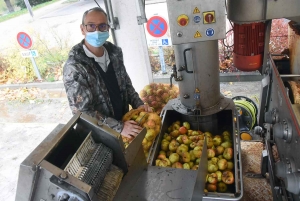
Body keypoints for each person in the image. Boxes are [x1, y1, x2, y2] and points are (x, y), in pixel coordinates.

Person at [63, 7, 152, 140]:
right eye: (91, 26)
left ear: (108, 28)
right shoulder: (75, 66)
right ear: (82, 29)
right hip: (97, 135)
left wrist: (139, 105)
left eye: (102, 26)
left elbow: (126, 85)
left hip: (124, 125)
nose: (97, 31)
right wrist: (118, 127)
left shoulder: (114, 53)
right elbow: (82, 112)